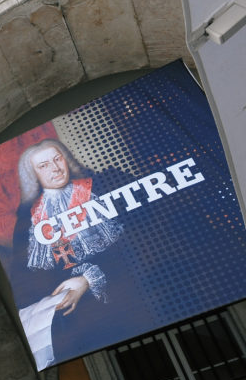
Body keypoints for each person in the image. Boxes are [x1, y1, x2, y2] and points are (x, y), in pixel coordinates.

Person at [9, 139, 150, 367]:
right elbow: (26, 280)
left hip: (133, 296)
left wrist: (88, 278)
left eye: (57, 159)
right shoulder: (27, 221)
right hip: (80, 321)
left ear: (66, 159)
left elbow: (139, 240)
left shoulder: (102, 187)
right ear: (32, 175)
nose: (55, 168)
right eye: (43, 165)